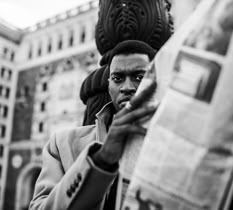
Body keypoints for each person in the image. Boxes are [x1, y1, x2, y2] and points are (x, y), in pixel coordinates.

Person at [29, 40, 157, 210]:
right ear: (108, 84)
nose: (127, 87)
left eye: (139, 77)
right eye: (117, 78)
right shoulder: (62, 143)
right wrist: (100, 160)